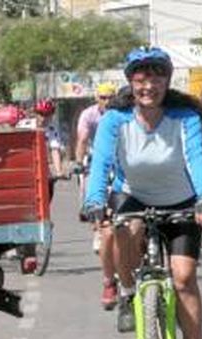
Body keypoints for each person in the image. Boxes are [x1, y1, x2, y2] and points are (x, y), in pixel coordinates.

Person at [82, 46, 202, 339]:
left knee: (185, 277)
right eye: (141, 78)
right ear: (130, 83)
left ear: (167, 81)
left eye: (157, 77)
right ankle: (128, 292)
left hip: (182, 200)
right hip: (133, 195)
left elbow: (196, 161)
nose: (149, 85)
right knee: (127, 228)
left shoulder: (184, 118)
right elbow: (101, 165)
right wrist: (94, 201)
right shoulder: (115, 120)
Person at [75, 81, 120, 309]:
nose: (107, 102)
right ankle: (109, 281)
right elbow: (82, 140)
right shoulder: (89, 116)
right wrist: (78, 162)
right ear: (97, 99)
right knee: (106, 230)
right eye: (103, 98)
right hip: (98, 163)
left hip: (125, 169)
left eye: (111, 97)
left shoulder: (124, 115)